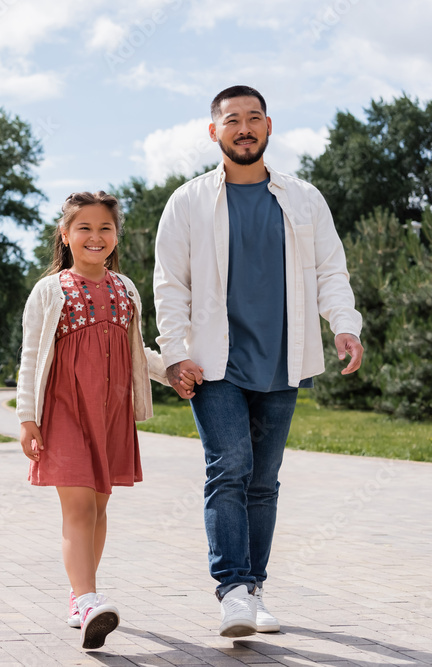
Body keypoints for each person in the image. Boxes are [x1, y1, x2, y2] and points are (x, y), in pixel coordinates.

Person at [153, 85, 364, 638]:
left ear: (268, 127)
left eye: (253, 119)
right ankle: (234, 591)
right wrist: (174, 355)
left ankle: (256, 588)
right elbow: (170, 285)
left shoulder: (303, 199)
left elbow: (329, 272)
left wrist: (344, 324)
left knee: (264, 481)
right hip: (213, 365)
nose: (243, 128)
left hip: (281, 361)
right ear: (213, 131)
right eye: (231, 120)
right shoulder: (188, 201)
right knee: (229, 469)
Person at [16, 191, 170, 650]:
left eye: (105, 228)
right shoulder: (50, 290)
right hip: (65, 411)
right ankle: (86, 600)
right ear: (65, 236)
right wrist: (28, 416)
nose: (95, 236)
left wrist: (173, 372)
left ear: (116, 235)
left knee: (100, 509)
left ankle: (80, 595)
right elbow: (30, 356)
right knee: (79, 508)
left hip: (110, 413)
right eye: (84, 228)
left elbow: (134, 351)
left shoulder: (125, 289)